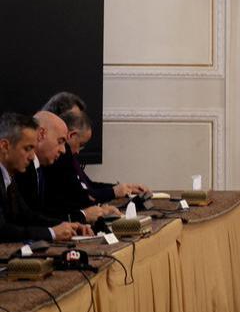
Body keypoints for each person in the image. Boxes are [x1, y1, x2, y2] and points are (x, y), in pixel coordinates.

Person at [42, 91, 147, 205]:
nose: (79, 121)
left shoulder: (67, 153)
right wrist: (113, 192)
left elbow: (88, 185)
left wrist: (123, 188)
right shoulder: (55, 157)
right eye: (73, 119)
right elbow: (81, 196)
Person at [16, 111, 119, 224]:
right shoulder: (22, 169)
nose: (63, 150)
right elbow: (28, 219)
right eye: (60, 141)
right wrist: (82, 216)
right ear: (41, 135)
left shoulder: (38, 167)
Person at [0, 113, 90, 242]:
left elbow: (27, 216)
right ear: (5, 146)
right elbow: (2, 231)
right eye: (27, 148)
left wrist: (66, 225)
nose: (32, 156)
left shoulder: (9, 176)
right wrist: (51, 233)